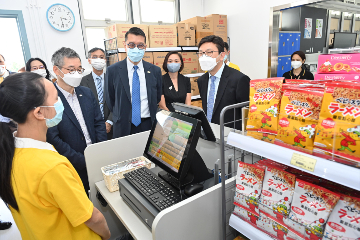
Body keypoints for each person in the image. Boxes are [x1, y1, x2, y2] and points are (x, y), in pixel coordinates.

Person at [0, 72, 110, 239]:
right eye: (56, 99)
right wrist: (107, 235)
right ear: (38, 113)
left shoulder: (10, 154)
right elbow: (93, 218)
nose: (60, 104)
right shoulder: (51, 166)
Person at [47, 47, 107, 195]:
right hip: (71, 165)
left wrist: (98, 150)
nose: (76, 73)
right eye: (71, 69)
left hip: (96, 158)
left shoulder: (86, 92)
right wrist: (82, 160)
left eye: (79, 69)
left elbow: (98, 122)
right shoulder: (49, 99)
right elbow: (53, 138)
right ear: (56, 70)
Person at [105, 27, 162, 138]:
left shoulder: (155, 70)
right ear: (125, 46)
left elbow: (157, 97)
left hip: (148, 124)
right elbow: (110, 100)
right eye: (131, 44)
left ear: (145, 47)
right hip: (123, 125)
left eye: (140, 45)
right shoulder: (113, 70)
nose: (136, 48)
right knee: (125, 155)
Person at [197, 35, 250, 129]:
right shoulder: (202, 80)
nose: (204, 57)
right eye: (201, 53)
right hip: (210, 133)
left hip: (230, 135)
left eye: (209, 52)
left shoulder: (239, 79)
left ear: (222, 55)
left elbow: (248, 113)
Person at [81, 47, 113, 139]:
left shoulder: (112, 80)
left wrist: (109, 122)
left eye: (101, 57)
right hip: (92, 127)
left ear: (105, 60)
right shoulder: (82, 81)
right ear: (89, 60)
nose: (98, 60)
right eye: (95, 57)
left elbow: (118, 102)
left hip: (112, 127)